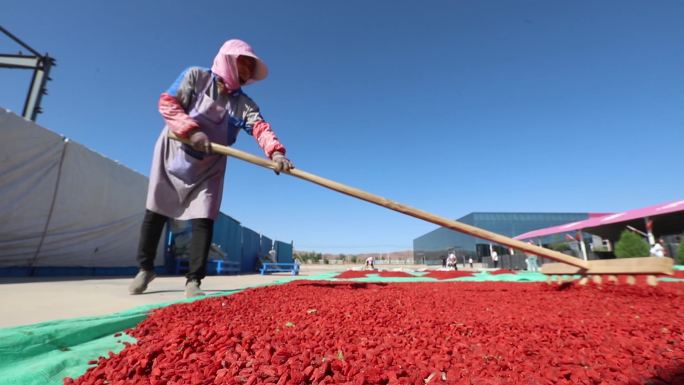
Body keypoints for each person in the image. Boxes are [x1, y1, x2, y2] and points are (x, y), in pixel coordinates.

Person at [129, 39, 293, 298]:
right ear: (228, 59)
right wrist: (191, 130)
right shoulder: (196, 77)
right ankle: (145, 268)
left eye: (252, 66)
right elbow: (168, 103)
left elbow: (261, 128)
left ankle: (193, 280)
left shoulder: (244, 104)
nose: (248, 70)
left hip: (210, 164)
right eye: (244, 62)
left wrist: (276, 152)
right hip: (174, 154)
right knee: (157, 211)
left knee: (204, 218)